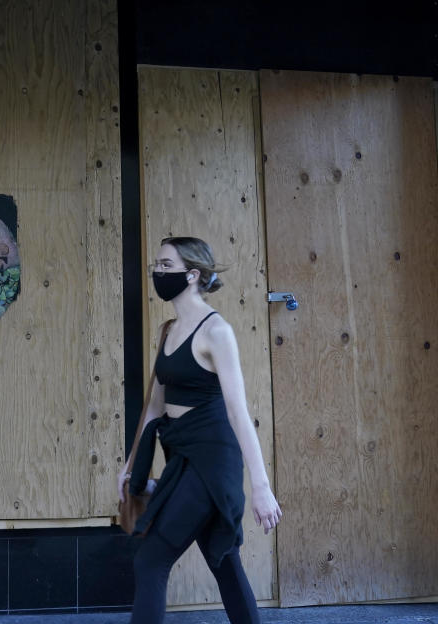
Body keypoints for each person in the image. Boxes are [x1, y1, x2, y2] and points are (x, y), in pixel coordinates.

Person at [118, 236, 282, 624]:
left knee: (151, 561)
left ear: (192, 275)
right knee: (223, 560)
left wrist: (260, 486)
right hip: (182, 457)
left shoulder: (216, 332)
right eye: (155, 265)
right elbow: (155, 407)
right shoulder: (169, 330)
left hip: (213, 461)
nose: (157, 272)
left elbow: (238, 413)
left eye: (165, 265)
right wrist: (129, 465)